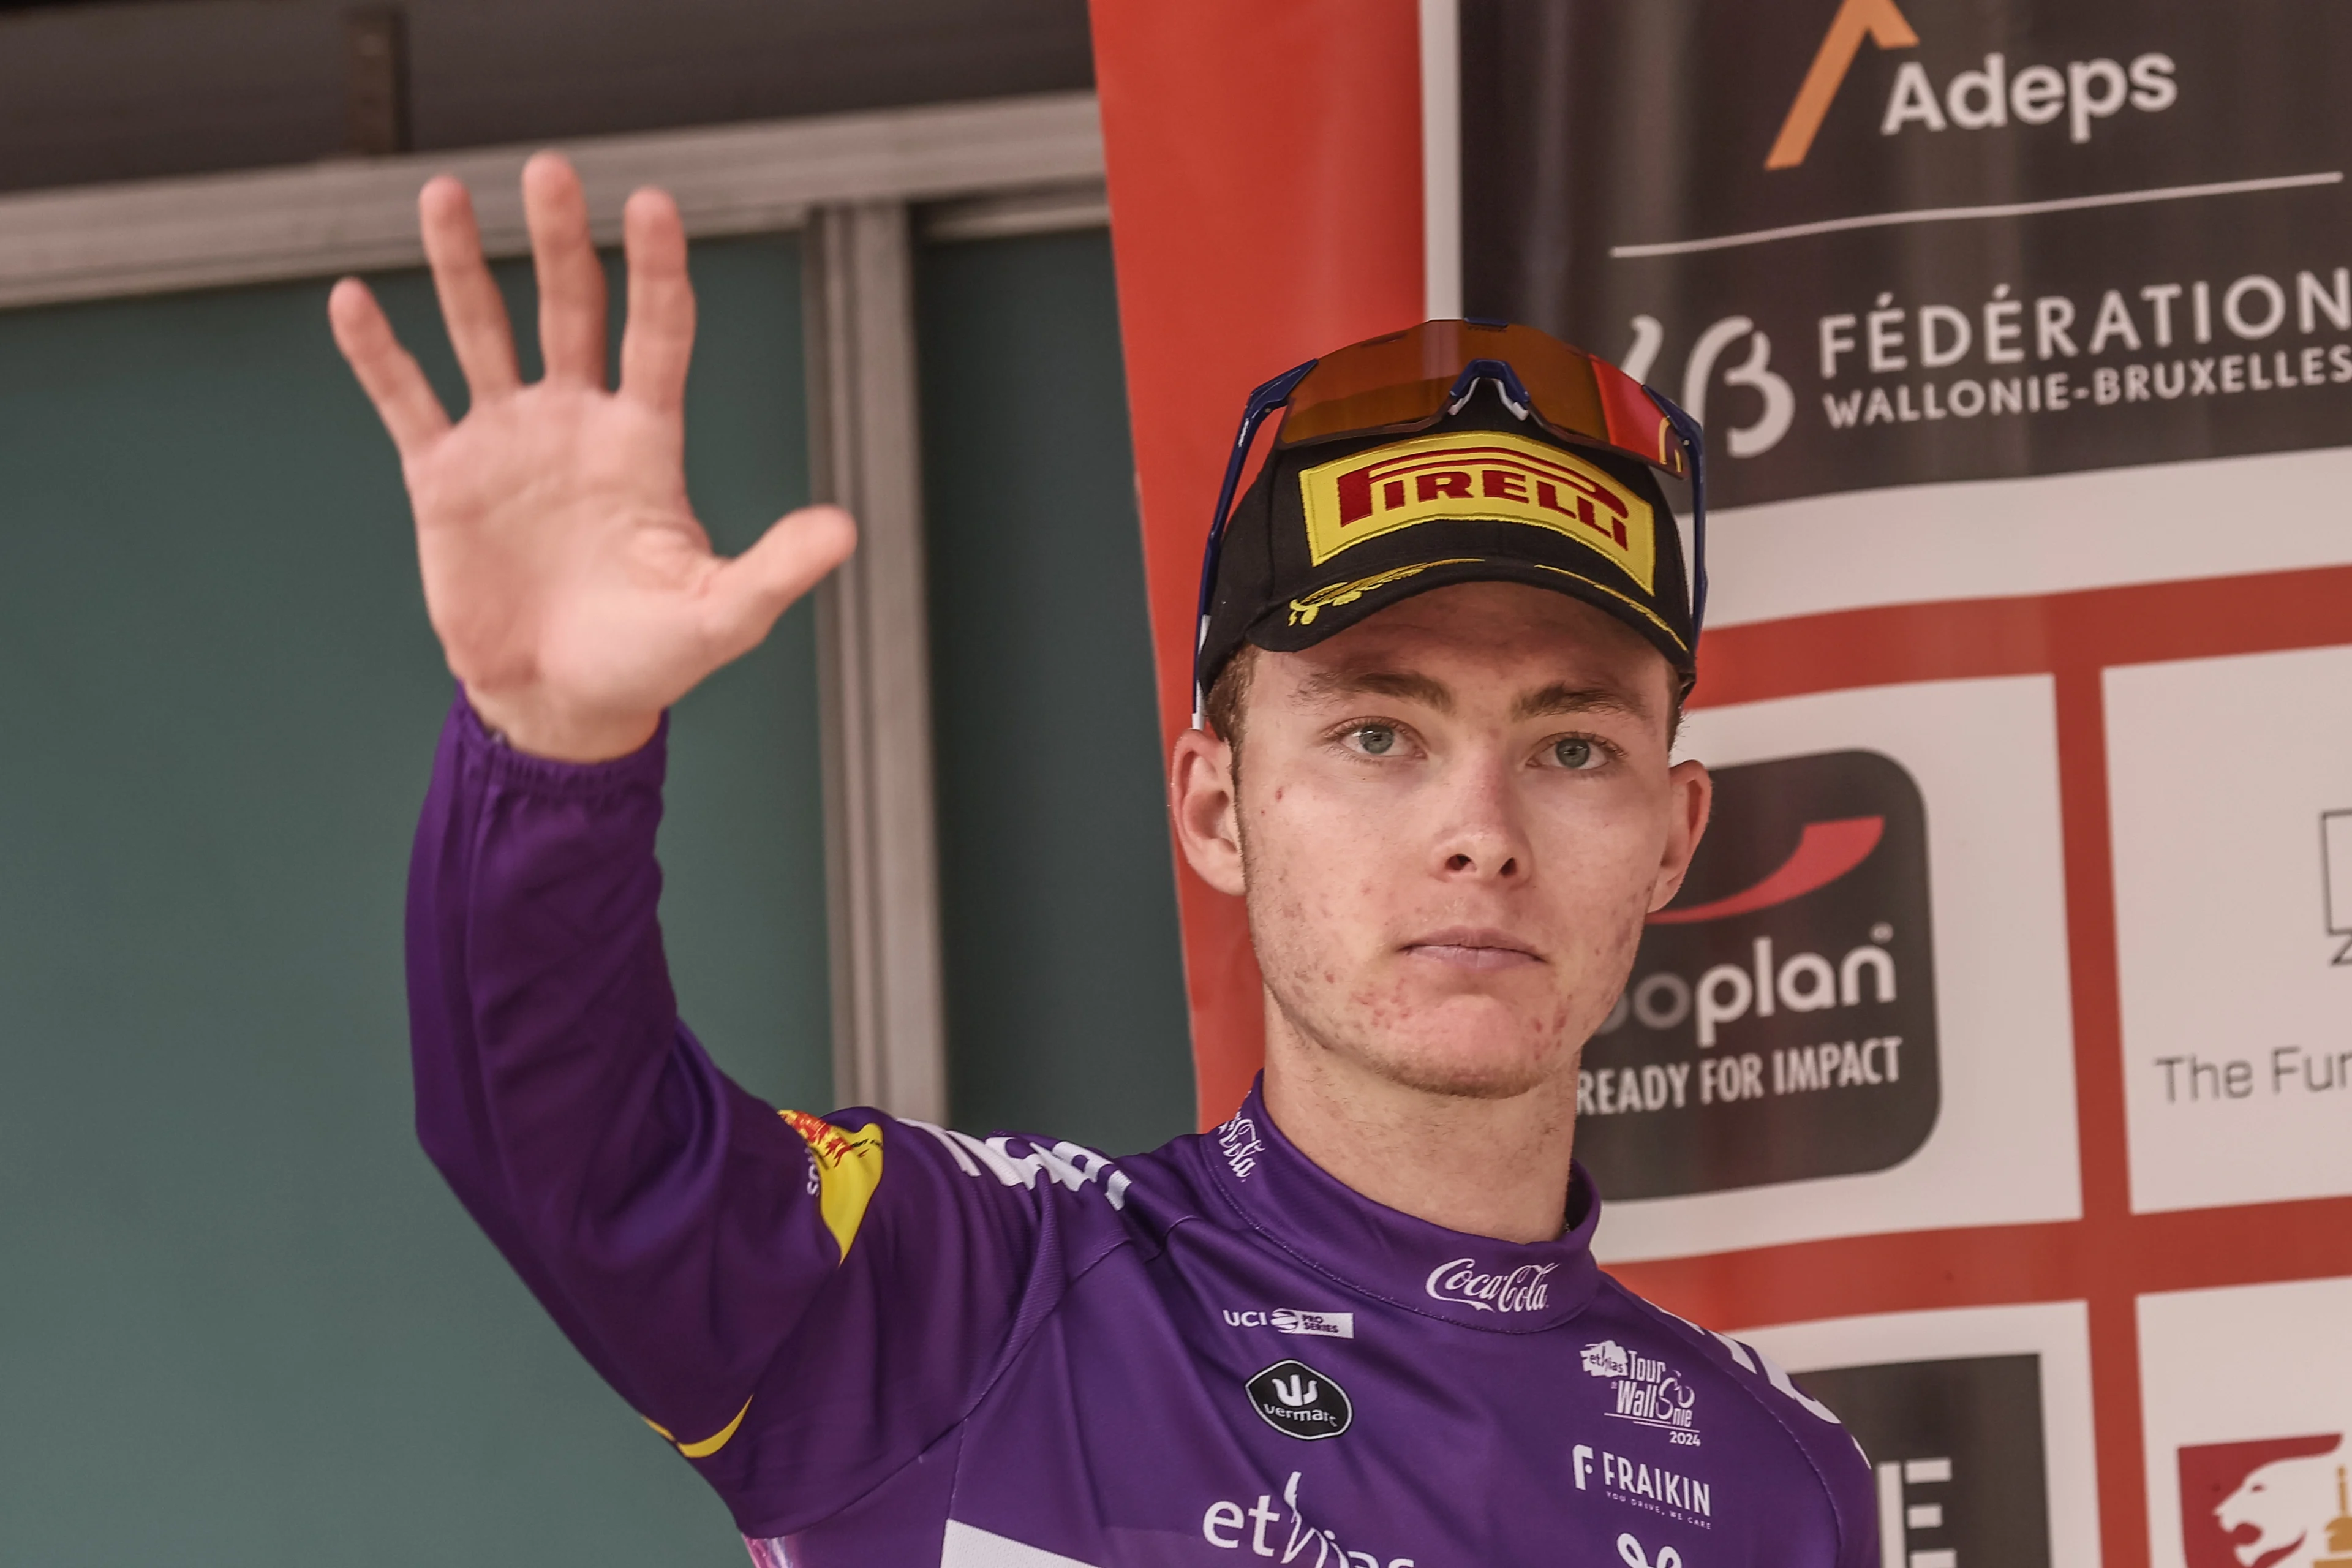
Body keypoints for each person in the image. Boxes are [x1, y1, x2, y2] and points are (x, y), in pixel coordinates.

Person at [330, 153, 1877, 1568]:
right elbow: (572, 1149)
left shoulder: (1780, 1488)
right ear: (1216, 806)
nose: (1481, 828)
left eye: (1571, 748)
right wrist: (549, 751)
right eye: (1376, 735)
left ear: (1674, 839)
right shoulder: (969, 1295)